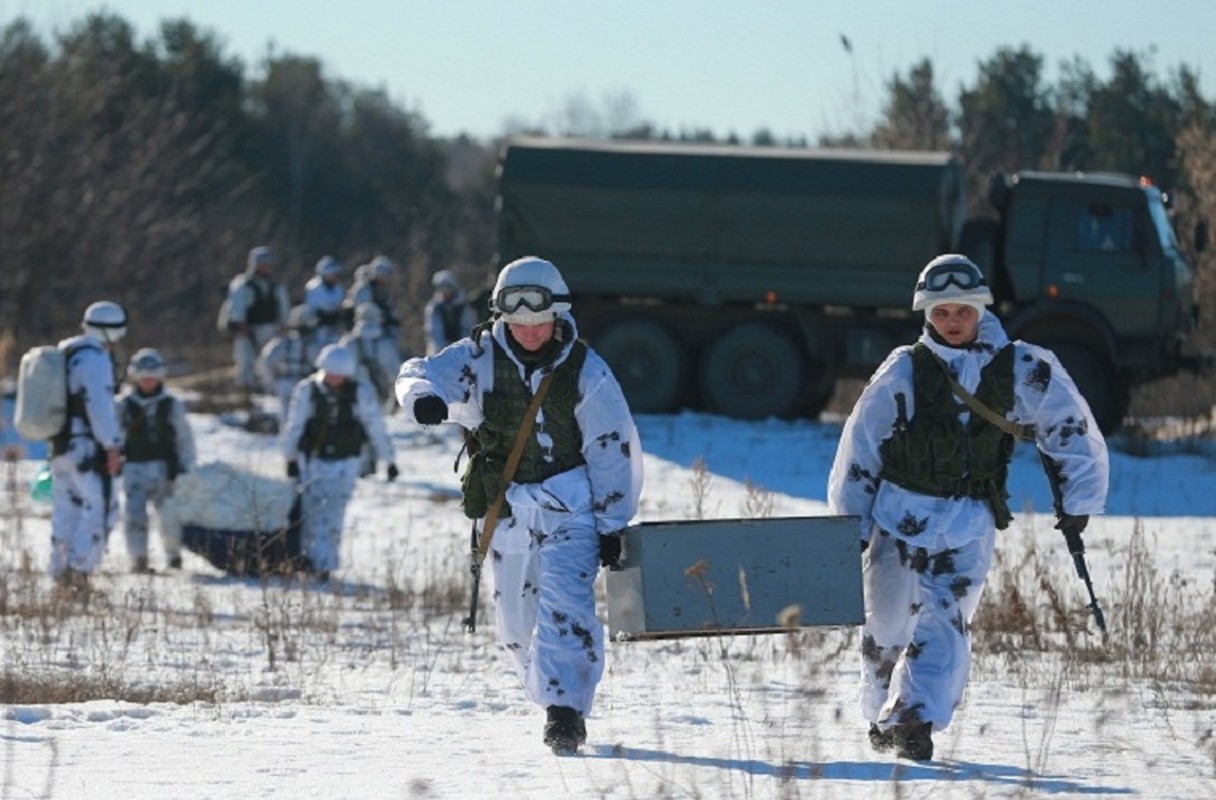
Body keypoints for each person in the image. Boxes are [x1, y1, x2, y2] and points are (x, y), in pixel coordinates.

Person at [827, 254, 1109, 761]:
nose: (952, 322)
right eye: (940, 313)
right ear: (925, 315)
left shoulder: (1020, 366)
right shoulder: (905, 370)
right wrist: (851, 523)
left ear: (980, 308)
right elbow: (861, 447)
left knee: (946, 623)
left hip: (969, 523)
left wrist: (1080, 497)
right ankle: (877, 709)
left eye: (961, 311)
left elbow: (1068, 423)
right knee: (888, 623)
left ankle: (915, 721)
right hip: (900, 520)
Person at [395, 255, 643, 754]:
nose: (529, 332)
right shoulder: (478, 356)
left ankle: (566, 711)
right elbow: (420, 372)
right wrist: (424, 397)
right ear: (501, 316)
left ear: (558, 315)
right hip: (506, 509)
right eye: (518, 322)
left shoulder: (585, 371)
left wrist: (613, 523)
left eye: (540, 321)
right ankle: (547, 689)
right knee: (514, 625)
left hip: (570, 508)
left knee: (566, 607)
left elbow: (614, 446)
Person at [281, 343, 398, 582]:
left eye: (340, 375)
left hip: (346, 462)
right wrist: (290, 457)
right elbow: (294, 425)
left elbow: (375, 426)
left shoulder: (360, 392)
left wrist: (389, 460)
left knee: (334, 516)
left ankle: (325, 565)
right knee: (311, 514)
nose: (335, 379)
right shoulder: (307, 391)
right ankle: (307, 561)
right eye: (331, 373)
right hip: (312, 461)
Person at [49, 301, 128, 592]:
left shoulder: (65, 353)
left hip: (61, 447)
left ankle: (59, 573)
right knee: (101, 509)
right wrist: (112, 446)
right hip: (88, 448)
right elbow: (100, 407)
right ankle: (79, 574)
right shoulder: (95, 360)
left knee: (66, 509)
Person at [116, 348, 197, 573]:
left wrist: (186, 467)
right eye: (143, 376)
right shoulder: (123, 405)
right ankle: (139, 559)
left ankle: (173, 556)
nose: (148, 381)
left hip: (165, 469)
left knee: (169, 515)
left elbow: (184, 438)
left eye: (152, 376)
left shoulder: (172, 404)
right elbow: (115, 437)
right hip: (134, 468)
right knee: (134, 516)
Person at [224, 245, 290, 393]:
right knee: (246, 361)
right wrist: (241, 326)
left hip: (270, 328)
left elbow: (283, 307)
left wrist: (283, 325)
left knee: (270, 361)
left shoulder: (274, 285)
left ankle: (269, 389)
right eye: (263, 263)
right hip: (249, 329)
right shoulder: (243, 285)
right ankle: (246, 393)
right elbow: (237, 307)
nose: (267, 267)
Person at [259, 304, 324, 421]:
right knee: (302, 419)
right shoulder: (313, 344)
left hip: (286, 383)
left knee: (287, 419)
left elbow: (266, 361)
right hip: (302, 384)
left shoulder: (283, 342)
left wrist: (273, 382)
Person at [344, 255, 400, 341]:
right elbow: (364, 311)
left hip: (379, 331)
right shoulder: (364, 289)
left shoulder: (381, 290)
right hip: (363, 332)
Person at [424, 269, 475, 355]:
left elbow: (467, 329)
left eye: (447, 289)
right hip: (439, 352)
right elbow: (434, 332)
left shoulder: (463, 307)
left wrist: (461, 350)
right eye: (441, 289)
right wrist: (442, 353)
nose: (444, 292)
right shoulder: (434, 308)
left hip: (461, 350)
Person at [303, 255, 346, 347]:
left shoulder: (338, 288)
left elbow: (339, 305)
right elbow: (311, 310)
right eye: (333, 274)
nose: (335, 277)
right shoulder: (313, 287)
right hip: (318, 328)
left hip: (334, 326)